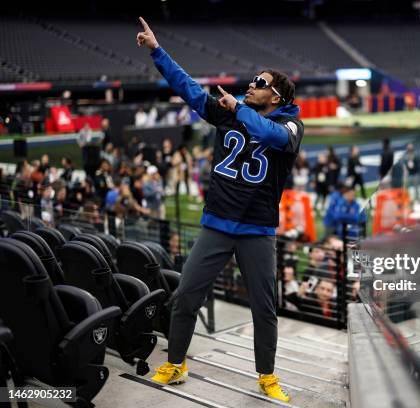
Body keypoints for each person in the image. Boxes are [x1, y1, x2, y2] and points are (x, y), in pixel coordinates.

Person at [137, 17, 304, 402]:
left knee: (264, 309)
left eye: (259, 83)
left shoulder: (291, 123)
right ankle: (176, 363)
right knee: (185, 297)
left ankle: (266, 375)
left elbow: (270, 135)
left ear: (276, 95)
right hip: (217, 225)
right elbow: (189, 90)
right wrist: (157, 52)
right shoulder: (229, 112)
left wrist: (239, 109)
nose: (251, 85)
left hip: (258, 230)